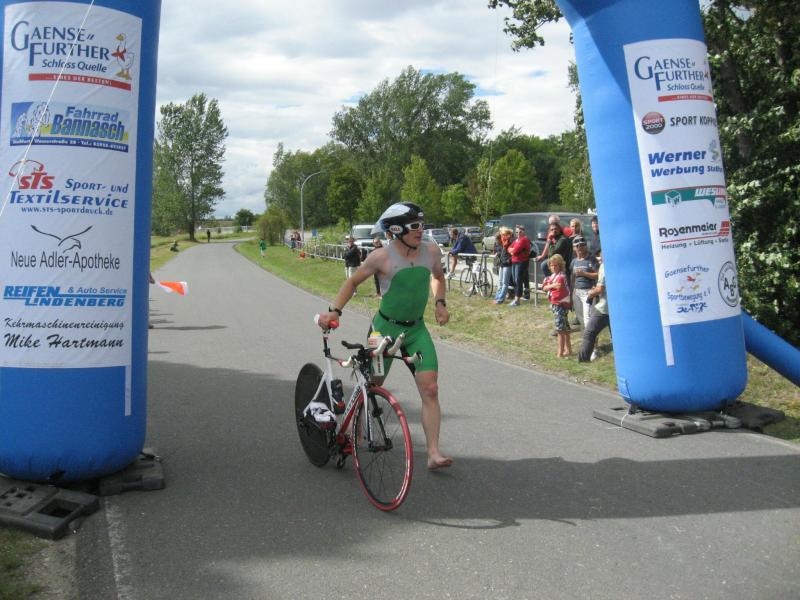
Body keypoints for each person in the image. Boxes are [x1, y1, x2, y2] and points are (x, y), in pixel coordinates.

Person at [316, 202, 453, 470]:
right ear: (397, 230)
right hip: (383, 332)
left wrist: (440, 302)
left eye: (422, 224)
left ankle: (433, 453)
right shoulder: (381, 258)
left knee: (431, 389)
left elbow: (438, 277)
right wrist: (335, 311)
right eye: (414, 226)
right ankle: (354, 428)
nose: (421, 230)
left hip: (415, 331)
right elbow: (353, 282)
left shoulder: (431, 251)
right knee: (372, 385)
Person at [578, 247, 609, 362]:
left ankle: (583, 360)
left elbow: (600, 289)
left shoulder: (604, 266)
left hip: (604, 308)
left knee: (589, 332)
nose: (599, 258)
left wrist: (591, 293)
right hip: (615, 307)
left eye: (600, 255)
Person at [542, 254, 572, 357]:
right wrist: (552, 286)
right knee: (565, 328)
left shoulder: (561, 276)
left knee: (560, 330)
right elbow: (544, 287)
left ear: (560, 265)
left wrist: (550, 286)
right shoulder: (552, 277)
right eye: (552, 265)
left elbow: (557, 290)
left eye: (556, 265)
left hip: (560, 304)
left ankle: (560, 353)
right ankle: (568, 350)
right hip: (556, 304)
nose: (553, 267)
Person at [569, 236, 599, 330]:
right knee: (581, 317)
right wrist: (571, 294)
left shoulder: (591, 259)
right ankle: (587, 336)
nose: (580, 247)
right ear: (574, 248)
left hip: (588, 292)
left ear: (586, 246)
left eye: (582, 245)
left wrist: (584, 273)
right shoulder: (574, 261)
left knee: (587, 318)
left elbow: (598, 275)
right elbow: (572, 278)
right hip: (577, 292)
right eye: (577, 246)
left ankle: (591, 337)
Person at [507, 224, 531, 306]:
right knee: (515, 280)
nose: (518, 233)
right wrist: (512, 250)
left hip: (521, 262)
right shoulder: (516, 240)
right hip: (514, 261)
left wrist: (513, 251)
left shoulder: (524, 239)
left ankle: (517, 300)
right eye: (517, 232)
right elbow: (508, 248)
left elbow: (516, 250)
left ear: (523, 232)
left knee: (518, 280)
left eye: (520, 232)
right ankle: (516, 298)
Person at [492, 227, 514, 304]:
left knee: (505, 283)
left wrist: (509, 260)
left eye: (503, 234)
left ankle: (500, 299)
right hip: (502, 263)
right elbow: (498, 250)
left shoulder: (511, 241)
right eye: (501, 234)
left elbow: (513, 253)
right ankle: (497, 297)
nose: (502, 236)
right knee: (500, 282)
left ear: (507, 234)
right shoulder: (502, 241)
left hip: (507, 264)